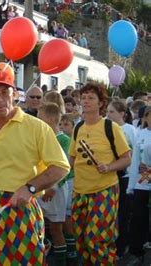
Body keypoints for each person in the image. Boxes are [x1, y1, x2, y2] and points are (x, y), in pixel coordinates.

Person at [0, 69, 70, 264]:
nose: (0, 99)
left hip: (21, 207)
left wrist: (30, 188)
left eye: (5, 93)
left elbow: (61, 166)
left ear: (16, 95)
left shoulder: (36, 127)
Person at [69, 83, 131, 264]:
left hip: (104, 191)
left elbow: (127, 158)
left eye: (91, 98)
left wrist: (109, 167)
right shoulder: (78, 127)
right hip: (79, 191)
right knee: (81, 241)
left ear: (101, 103)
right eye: (84, 97)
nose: (86, 101)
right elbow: (72, 160)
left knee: (98, 239)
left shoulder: (111, 128)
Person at [37, 103, 72, 266]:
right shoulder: (41, 136)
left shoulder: (64, 139)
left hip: (56, 190)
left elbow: (65, 167)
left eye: (40, 117)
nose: (37, 120)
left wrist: (53, 187)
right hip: (40, 188)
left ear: (50, 119)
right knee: (39, 226)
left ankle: (63, 261)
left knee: (57, 228)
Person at [106, 100, 137, 259]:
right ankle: (110, 245)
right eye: (107, 112)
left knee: (122, 214)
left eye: (112, 112)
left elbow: (134, 153)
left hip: (125, 177)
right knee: (110, 214)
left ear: (122, 114)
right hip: (110, 175)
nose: (108, 115)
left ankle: (121, 247)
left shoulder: (129, 129)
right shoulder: (107, 128)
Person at [126, 106, 151, 264]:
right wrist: (130, 186)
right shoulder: (141, 134)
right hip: (141, 183)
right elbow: (135, 161)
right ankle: (137, 249)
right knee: (138, 217)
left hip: (147, 177)